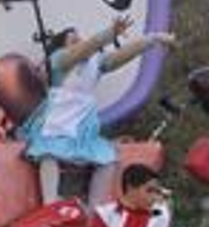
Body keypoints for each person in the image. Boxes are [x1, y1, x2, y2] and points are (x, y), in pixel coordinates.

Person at [21, 15, 174, 204]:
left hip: (83, 127)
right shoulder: (58, 59)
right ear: (62, 45)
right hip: (57, 123)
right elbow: (85, 49)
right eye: (73, 39)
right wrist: (109, 34)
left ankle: (95, 209)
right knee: (48, 152)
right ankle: (50, 203)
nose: (79, 41)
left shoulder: (95, 63)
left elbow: (123, 54)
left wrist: (153, 39)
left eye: (80, 38)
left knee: (107, 158)